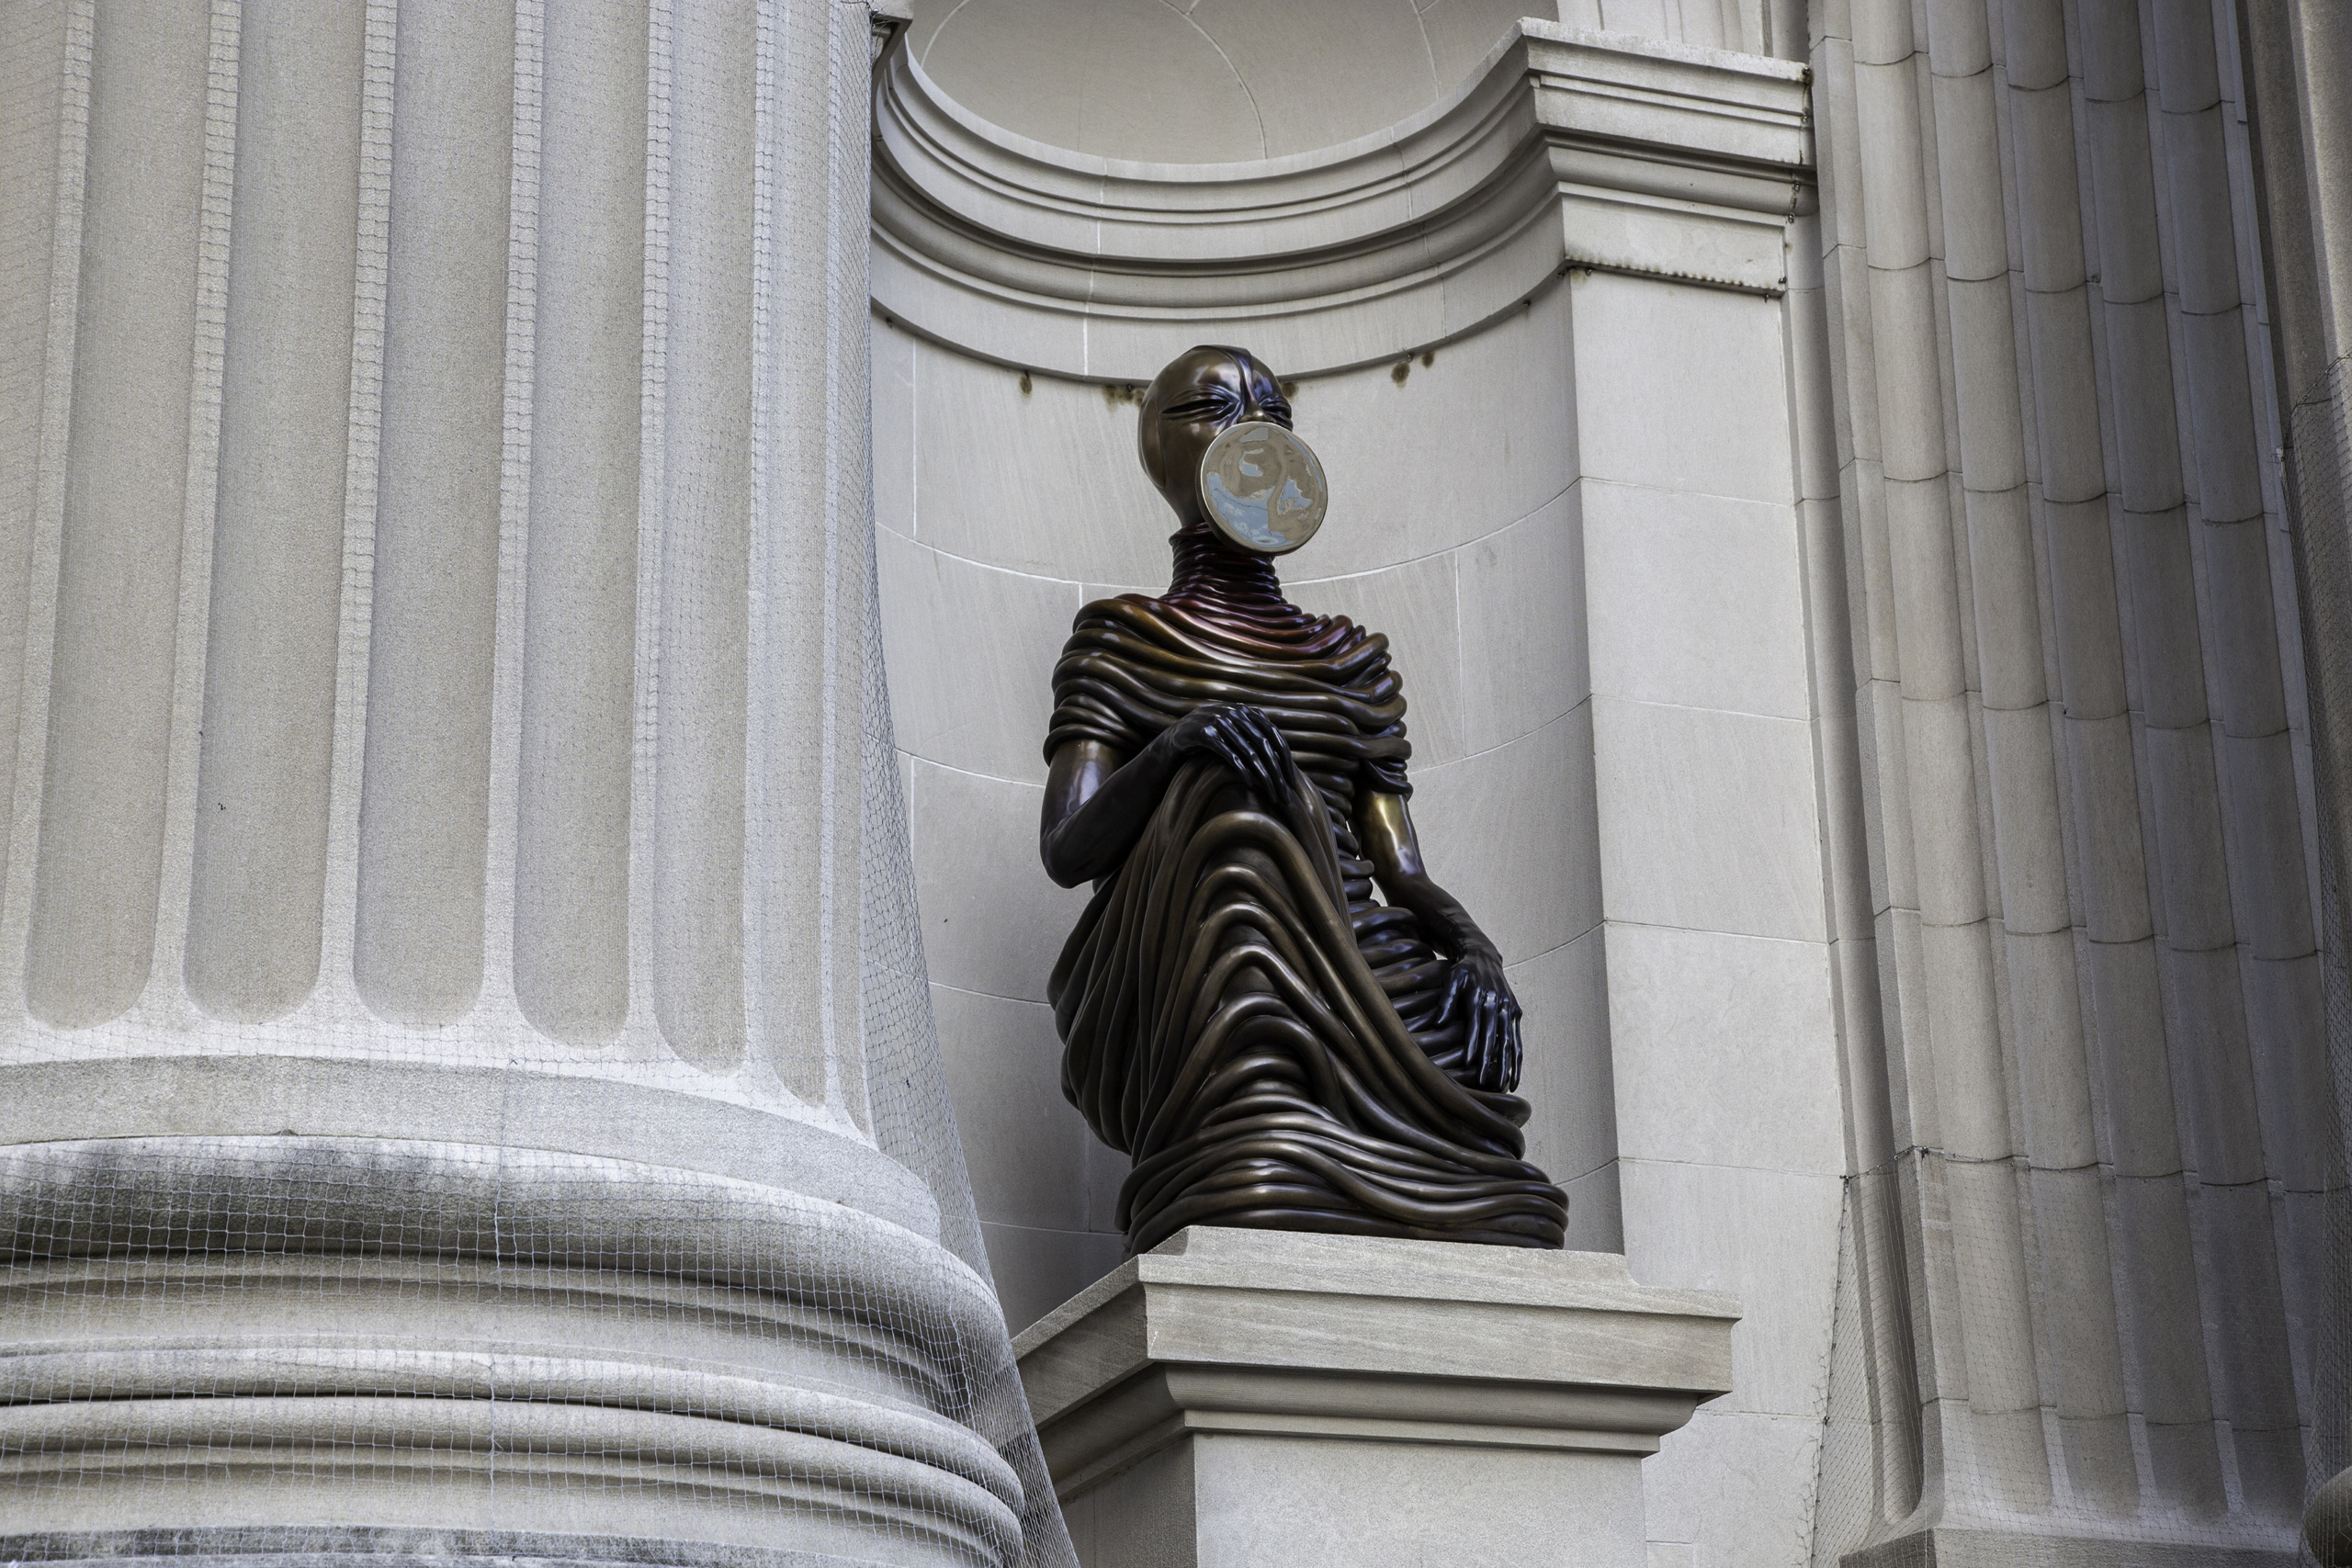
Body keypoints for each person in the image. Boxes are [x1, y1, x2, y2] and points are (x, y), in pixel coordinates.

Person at [1038, 344, 1567, 1252]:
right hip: (1207, 936)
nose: (1249, 430)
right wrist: (1175, 746)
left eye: (1273, 416)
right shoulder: (1125, 635)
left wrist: (1479, 954)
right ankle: (1263, 1121)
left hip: (1357, 941)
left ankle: (1355, 1120)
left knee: (1474, 1081)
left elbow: (1400, 869)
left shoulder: (1349, 657)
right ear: (1159, 453)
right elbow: (1067, 848)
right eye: (1212, 410)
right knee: (1227, 806)